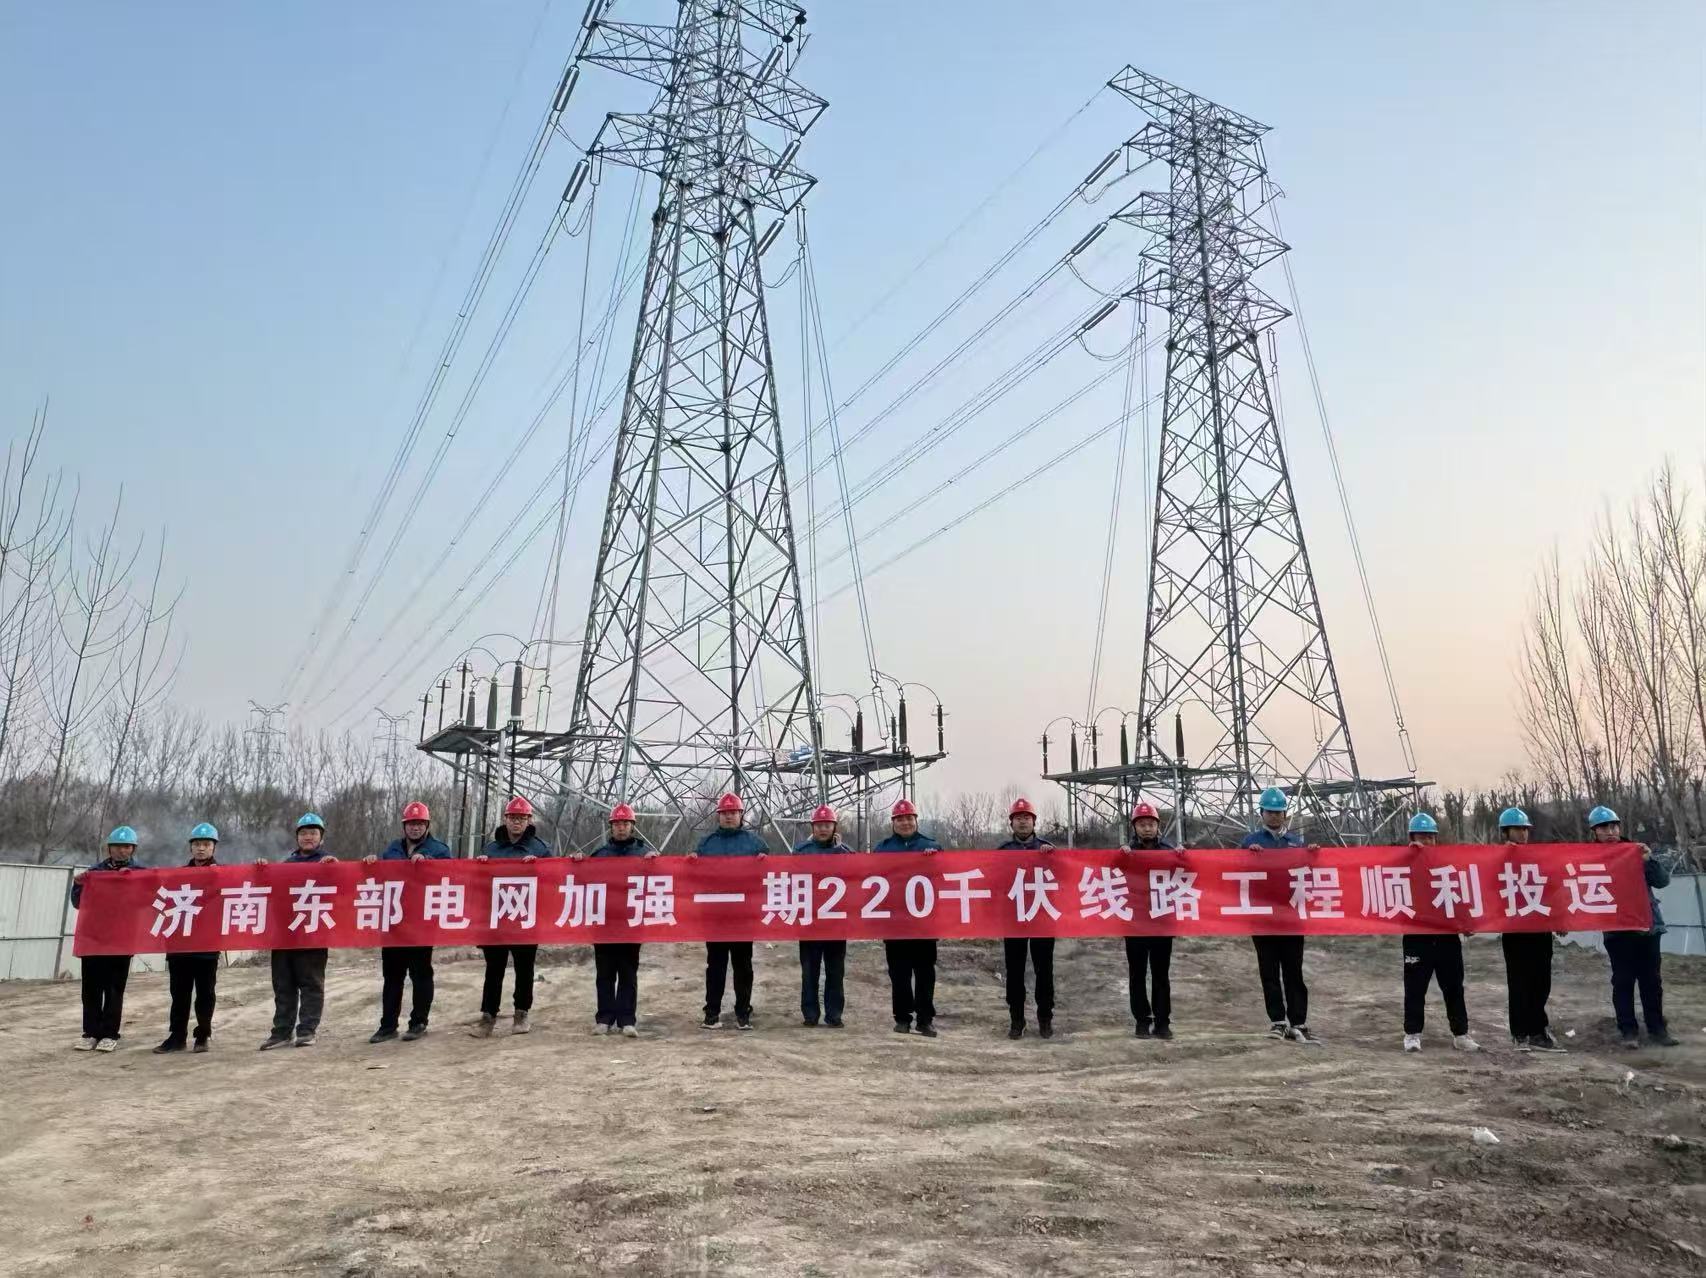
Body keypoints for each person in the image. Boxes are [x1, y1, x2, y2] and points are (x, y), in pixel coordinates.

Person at [1589, 805, 1679, 1050]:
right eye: (1604, 828)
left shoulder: (1635, 852)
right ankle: (1628, 1030)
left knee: (1652, 981)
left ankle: (1657, 1029)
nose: (1610, 831)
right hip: (1617, 931)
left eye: (1614, 826)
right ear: (1594, 832)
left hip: (1647, 926)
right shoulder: (1588, 858)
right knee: (1623, 981)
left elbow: (1662, 881)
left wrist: (1649, 860)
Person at [363, 801, 451, 1044]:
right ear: (404, 826)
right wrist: (371, 864)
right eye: (411, 823)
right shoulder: (393, 849)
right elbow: (381, 877)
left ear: (427, 825)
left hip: (421, 922)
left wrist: (428, 861)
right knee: (392, 976)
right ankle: (388, 1025)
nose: (415, 827)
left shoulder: (439, 850)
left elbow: (451, 876)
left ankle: (418, 1022)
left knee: (420, 974)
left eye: (420, 823)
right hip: (394, 922)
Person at [571, 802, 659, 1037]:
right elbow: (582, 881)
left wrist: (656, 863)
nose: (621, 827)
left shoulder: (644, 854)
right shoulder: (600, 854)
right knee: (605, 973)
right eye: (617, 823)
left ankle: (627, 1020)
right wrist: (577, 862)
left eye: (625, 823)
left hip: (631, 923)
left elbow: (659, 880)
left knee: (628, 973)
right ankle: (604, 1018)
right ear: (611, 826)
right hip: (605, 923)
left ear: (633, 826)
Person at [1242, 787, 1321, 1045]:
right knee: (1269, 972)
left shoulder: (1296, 843)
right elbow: (1236, 871)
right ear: (1261, 813)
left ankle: (1299, 1022)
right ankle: (1277, 1021)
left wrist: (1313, 855)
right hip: (1263, 919)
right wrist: (1248, 856)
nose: (1274, 816)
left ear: (1285, 814)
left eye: (1279, 812)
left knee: (1293, 972)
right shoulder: (1251, 842)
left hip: (1290, 919)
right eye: (1270, 812)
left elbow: (1308, 874)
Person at [470, 796, 552, 1038]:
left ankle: (521, 1012)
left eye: (521, 818)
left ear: (529, 821)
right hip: (496, 919)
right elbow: (477, 884)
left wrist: (540, 867)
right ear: (505, 819)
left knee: (524, 968)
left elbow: (553, 882)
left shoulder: (540, 849)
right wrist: (480, 866)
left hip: (525, 919)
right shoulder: (491, 849)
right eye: (513, 818)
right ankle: (488, 1016)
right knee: (494, 969)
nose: (517, 822)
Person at [1398, 813, 1479, 1054]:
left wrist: (1466, 921)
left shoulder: (1446, 864)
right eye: (1422, 836)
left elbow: (1458, 894)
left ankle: (1460, 1034)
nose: (1427, 841)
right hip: (1417, 936)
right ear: (1412, 838)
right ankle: (1412, 1034)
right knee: (1415, 988)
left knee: (1454, 987)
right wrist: (1408, 855)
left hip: (1446, 936)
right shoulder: (1401, 864)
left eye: (1431, 837)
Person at [259, 813, 339, 1050]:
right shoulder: (287, 865)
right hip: (285, 934)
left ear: (321, 838)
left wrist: (336, 869)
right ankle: (281, 1032)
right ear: (297, 837)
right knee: (283, 985)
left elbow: (343, 892)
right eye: (304, 833)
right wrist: (262, 870)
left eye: (313, 833)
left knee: (311, 983)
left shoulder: (329, 863)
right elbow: (271, 892)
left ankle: (306, 1030)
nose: (308, 837)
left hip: (313, 933)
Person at [690, 792, 768, 1030]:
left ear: (741, 815)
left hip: (743, 917)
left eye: (733, 812)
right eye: (725, 813)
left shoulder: (755, 843)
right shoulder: (707, 843)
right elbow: (692, 876)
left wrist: (766, 860)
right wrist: (690, 861)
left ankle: (743, 1012)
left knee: (743, 966)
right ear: (718, 816)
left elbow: (770, 875)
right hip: (715, 917)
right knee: (716, 967)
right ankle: (711, 1013)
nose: (729, 817)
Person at [1496, 806, 1562, 1053]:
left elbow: (1552, 888)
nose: (1522, 834)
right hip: (1514, 931)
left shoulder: (1538, 857)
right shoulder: (1495, 858)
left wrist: (1560, 919)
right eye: (1517, 830)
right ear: (1505, 832)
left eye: (1525, 830)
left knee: (1541, 982)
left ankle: (1538, 1030)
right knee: (1519, 982)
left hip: (1540, 928)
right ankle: (1520, 1033)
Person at [873, 798, 941, 1037]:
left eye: (909, 818)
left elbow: (944, 876)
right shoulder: (882, 849)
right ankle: (902, 1018)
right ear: (893, 823)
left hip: (924, 923)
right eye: (900, 819)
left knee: (925, 974)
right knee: (899, 974)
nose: (905, 823)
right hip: (895, 922)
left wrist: (935, 859)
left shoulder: (931, 846)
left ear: (916, 820)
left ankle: (925, 1020)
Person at [71, 826, 141, 1053]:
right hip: (94, 938)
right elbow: (78, 903)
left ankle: (110, 1033)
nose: (122, 851)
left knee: (114, 989)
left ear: (133, 849)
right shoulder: (94, 873)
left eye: (127, 847)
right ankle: (91, 1032)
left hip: (121, 940)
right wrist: (78, 885)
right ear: (109, 848)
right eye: (117, 846)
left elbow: (149, 899)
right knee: (91, 989)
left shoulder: (140, 873)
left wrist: (132, 881)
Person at [154, 823, 223, 1054]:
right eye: (197, 844)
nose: (201, 849)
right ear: (191, 848)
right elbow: (162, 898)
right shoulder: (178, 875)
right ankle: (177, 1036)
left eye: (206, 844)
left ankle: (202, 1035)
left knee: (205, 993)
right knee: (179, 994)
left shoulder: (224, 874)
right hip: (180, 944)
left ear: (214, 847)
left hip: (207, 946)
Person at [997, 797, 1056, 1041]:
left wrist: (1052, 857)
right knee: (1014, 972)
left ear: (1034, 822)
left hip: (1042, 917)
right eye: (1018, 818)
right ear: (1011, 823)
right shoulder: (1002, 852)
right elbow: (994, 882)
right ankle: (1017, 1019)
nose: (1023, 822)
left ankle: (1045, 1018)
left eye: (1027, 818)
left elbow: (1063, 878)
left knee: (1044, 971)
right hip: (1014, 920)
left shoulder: (1048, 849)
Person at [1119, 802, 1177, 1040]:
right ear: (1134, 827)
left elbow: (1187, 874)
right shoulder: (1126, 853)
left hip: (1162, 922)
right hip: (1135, 924)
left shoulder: (1169, 851)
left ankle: (1162, 1022)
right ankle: (1142, 1021)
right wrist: (1120, 857)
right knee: (1137, 975)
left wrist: (1182, 857)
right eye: (1142, 824)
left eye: (1151, 824)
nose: (1147, 828)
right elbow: (1109, 875)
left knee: (1161, 974)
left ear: (1157, 826)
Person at [792, 804, 852, 1028]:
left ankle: (834, 1014)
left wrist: (838, 850)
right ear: (813, 827)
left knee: (835, 972)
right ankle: (810, 1014)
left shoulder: (845, 852)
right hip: (810, 922)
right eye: (819, 825)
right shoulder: (801, 851)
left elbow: (857, 874)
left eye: (827, 825)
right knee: (809, 972)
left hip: (836, 923)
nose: (823, 829)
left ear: (834, 827)